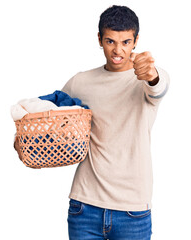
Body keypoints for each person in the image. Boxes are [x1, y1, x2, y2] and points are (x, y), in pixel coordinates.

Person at [14, 5, 170, 240]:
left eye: (126, 42)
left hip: (132, 210)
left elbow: (157, 87)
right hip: (84, 205)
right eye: (110, 41)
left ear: (136, 41)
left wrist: (151, 74)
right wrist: (24, 141)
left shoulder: (146, 79)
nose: (118, 50)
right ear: (99, 39)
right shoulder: (81, 82)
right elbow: (52, 117)